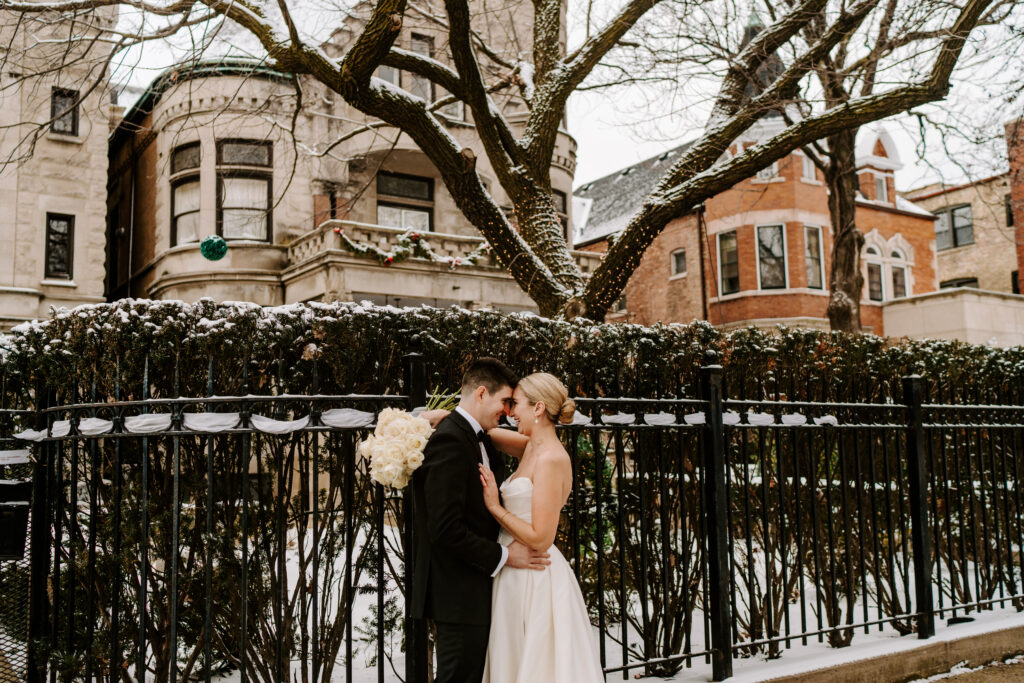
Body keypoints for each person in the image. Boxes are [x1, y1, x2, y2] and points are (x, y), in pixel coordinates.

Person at [411, 358, 551, 683]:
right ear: (482, 393)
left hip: (476, 589)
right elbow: (445, 528)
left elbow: (539, 445)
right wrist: (505, 555)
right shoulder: (451, 440)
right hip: (458, 593)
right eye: (505, 401)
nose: (507, 411)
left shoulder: (477, 436)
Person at [478, 373, 605, 683]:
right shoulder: (531, 447)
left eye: (516, 404)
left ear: (538, 409)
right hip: (513, 574)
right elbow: (485, 433)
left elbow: (542, 537)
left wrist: (495, 506)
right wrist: (444, 417)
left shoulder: (551, 459)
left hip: (536, 578)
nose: (510, 411)